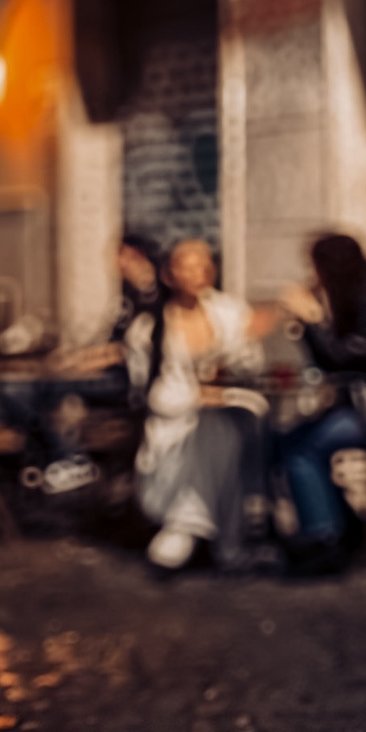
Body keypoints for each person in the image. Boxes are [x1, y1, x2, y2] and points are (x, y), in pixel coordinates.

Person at [123, 239, 289, 573]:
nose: (200, 271)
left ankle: (222, 531)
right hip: (177, 421)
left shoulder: (229, 313)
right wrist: (196, 397)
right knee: (211, 433)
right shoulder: (148, 330)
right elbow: (150, 390)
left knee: (234, 426)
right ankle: (204, 531)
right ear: (169, 274)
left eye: (204, 263)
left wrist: (231, 371)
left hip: (231, 409)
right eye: (188, 264)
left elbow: (251, 364)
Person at [275, 232, 366, 575]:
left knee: (301, 449)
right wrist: (307, 325)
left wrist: (312, 320)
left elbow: (346, 359)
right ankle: (340, 525)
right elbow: (329, 362)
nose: (311, 275)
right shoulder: (353, 291)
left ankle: (326, 536)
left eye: (313, 266)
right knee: (286, 442)